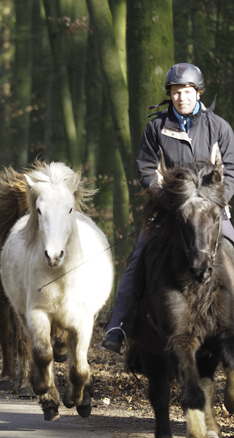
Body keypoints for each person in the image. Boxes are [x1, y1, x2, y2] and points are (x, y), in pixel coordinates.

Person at [100, 62, 234, 354]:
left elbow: (231, 171)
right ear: (169, 95)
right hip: (167, 212)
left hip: (211, 213)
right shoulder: (156, 128)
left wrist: (214, 202)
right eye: (175, 92)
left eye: (187, 91)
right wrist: (169, 201)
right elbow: (146, 170)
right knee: (138, 259)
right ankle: (118, 325)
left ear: (198, 93)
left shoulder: (219, 127)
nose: (181, 97)